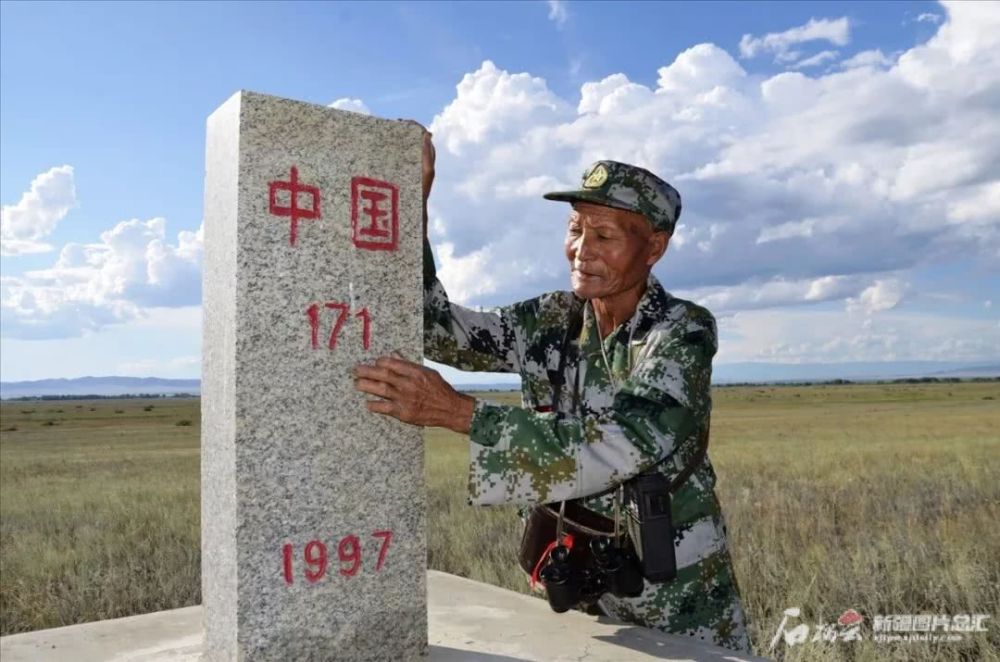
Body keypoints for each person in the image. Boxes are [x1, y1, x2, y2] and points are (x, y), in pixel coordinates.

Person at [354, 129, 753, 654]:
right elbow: (433, 328)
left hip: (672, 589)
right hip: (572, 573)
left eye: (605, 236)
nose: (582, 251)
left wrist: (460, 414)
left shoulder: (682, 332)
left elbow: (621, 442)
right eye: (575, 229)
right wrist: (414, 203)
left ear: (654, 246)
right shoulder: (552, 319)